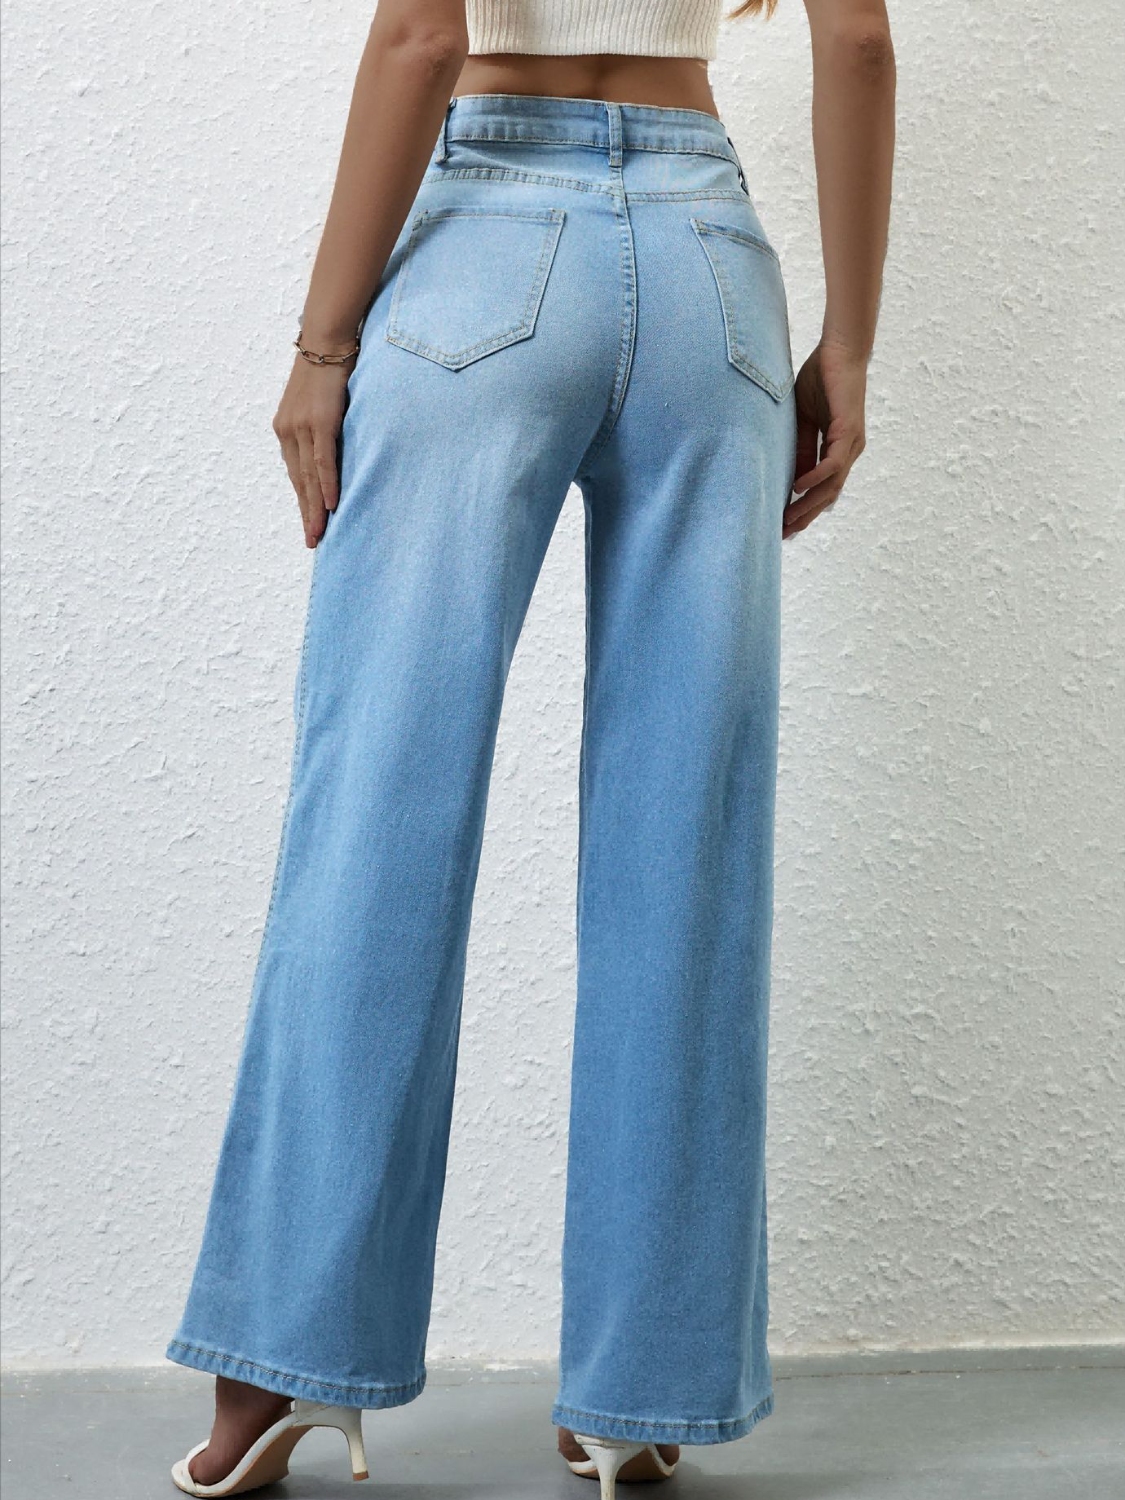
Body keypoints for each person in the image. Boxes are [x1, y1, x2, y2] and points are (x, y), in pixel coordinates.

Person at [166, 0, 895, 1494]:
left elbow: (421, 40)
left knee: (377, 814)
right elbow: (861, 43)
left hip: (484, 247)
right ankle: (645, 1392)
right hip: (712, 268)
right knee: (686, 846)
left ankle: (279, 1371)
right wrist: (852, 353)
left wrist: (321, 347)